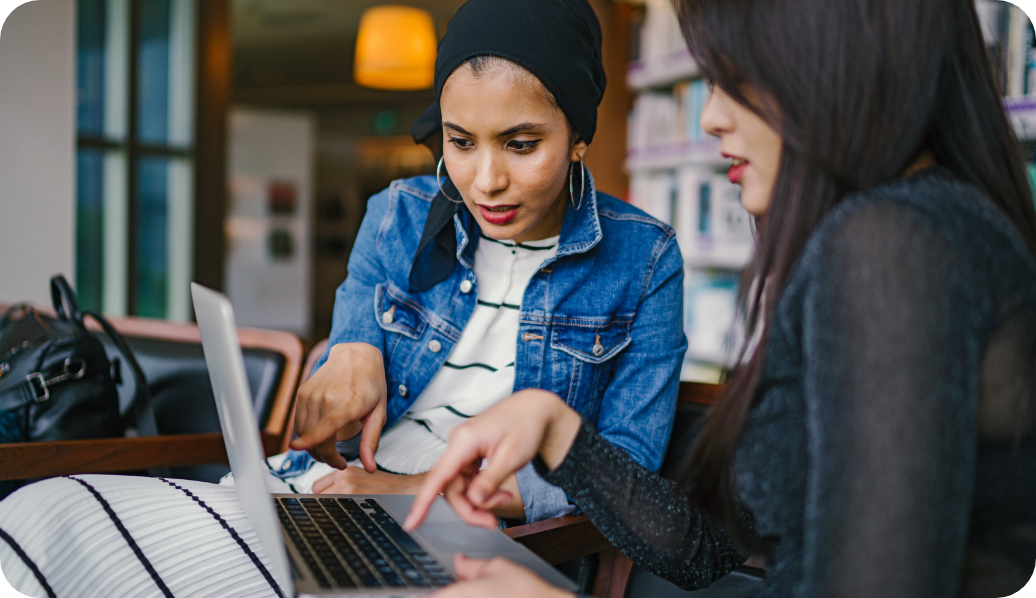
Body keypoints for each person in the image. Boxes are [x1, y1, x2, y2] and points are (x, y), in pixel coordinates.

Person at [404, 0, 1036, 597]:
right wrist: (558, 431)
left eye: (736, 77)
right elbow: (710, 553)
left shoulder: (892, 245)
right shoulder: (919, 228)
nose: (710, 117)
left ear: (838, 59)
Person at [254, 0, 686, 525]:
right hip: (327, 487)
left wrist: (414, 490)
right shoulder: (398, 214)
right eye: (459, 141)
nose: (485, 181)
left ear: (578, 138)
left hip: (473, 529)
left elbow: (626, 473)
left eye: (520, 145)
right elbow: (348, 356)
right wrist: (351, 347)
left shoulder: (646, 259)